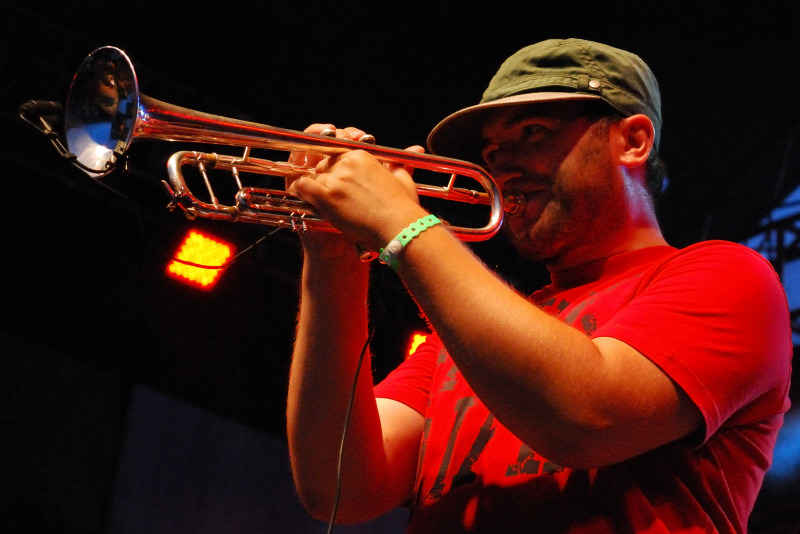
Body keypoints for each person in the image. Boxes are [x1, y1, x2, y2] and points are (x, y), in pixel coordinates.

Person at [285, 38, 792, 533]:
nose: (502, 166)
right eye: (491, 150)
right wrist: (331, 258)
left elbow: (587, 416)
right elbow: (338, 489)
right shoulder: (463, 338)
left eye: (532, 131)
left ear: (633, 141)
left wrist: (402, 224)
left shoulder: (729, 275)